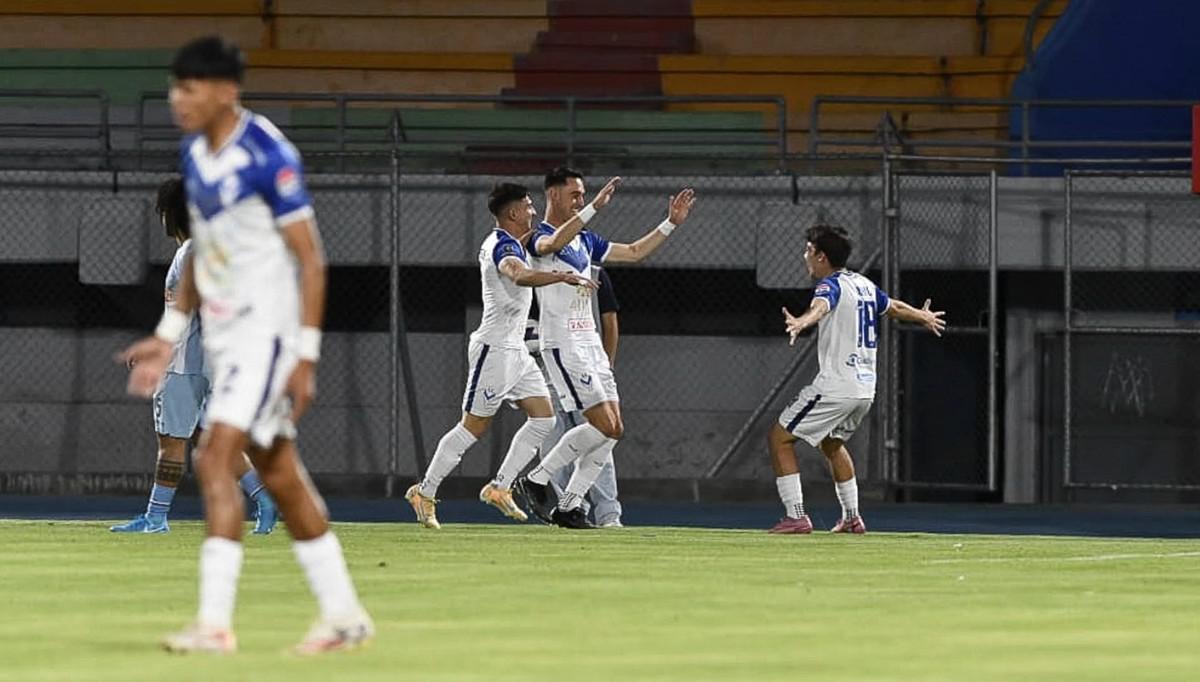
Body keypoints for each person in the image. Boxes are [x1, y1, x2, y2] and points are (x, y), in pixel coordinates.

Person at [121, 36, 372, 654]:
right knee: (282, 475)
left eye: (193, 87)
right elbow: (203, 253)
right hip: (229, 340)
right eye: (175, 87)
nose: (179, 99)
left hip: (269, 336)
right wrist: (167, 336)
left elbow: (310, 259)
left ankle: (214, 626)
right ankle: (344, 617)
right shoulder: (196, 156)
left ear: (227, 91)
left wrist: (306, 356)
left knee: (213, 458)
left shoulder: (267, 154)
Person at [403, 182, 609, 529]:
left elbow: (555, 240)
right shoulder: (501, 245)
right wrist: (560, 276)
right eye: (528, 206)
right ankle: (424, 491)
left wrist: (591, 210)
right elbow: (519, 273)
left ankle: (500, 487)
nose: (533, 210)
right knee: (473, 427)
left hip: (517, 352)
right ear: (513, 212)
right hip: (495, 349)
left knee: (543, 417)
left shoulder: (517, 241)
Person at [513, 167, 695, 529]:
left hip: (589, 343)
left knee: (613, 430)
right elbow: (553, 245)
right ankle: (539, 478)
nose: (581, 199)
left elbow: (634, 252)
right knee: (601, 425)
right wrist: (593, 208)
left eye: (583, 195)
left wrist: (670, 223)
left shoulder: (588, 241)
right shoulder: (538, 237)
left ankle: (565, 501)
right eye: (575, 195)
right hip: (563, 344)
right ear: (553, 195)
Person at [111, 178, 278, 535]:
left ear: (170, 215)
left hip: (185, 363)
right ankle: (264, 499)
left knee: (171, 442)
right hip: (215, 365)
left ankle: (156, 519)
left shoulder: (189, 252)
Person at [768, 225, 945, 535]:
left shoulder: (829, 286)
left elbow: (820, 308)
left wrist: (801, 322)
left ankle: (796, 516)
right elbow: (894, 307)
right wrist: (923, 315)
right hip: (864, 388)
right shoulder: (863, 284)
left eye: (808, 250)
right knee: (832, 443)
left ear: (822, 257)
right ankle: (852, 517)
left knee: (780, 439)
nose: (805, 255)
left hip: (836, 386)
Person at [539, 266, 623, 528]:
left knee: (602, 436)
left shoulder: (596, 274)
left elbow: (609, 321)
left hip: (585, 368)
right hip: (548, 369)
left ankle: (609, 514)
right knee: (551, 443)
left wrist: (606, 366)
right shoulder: (538, 271)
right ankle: (573, 509)